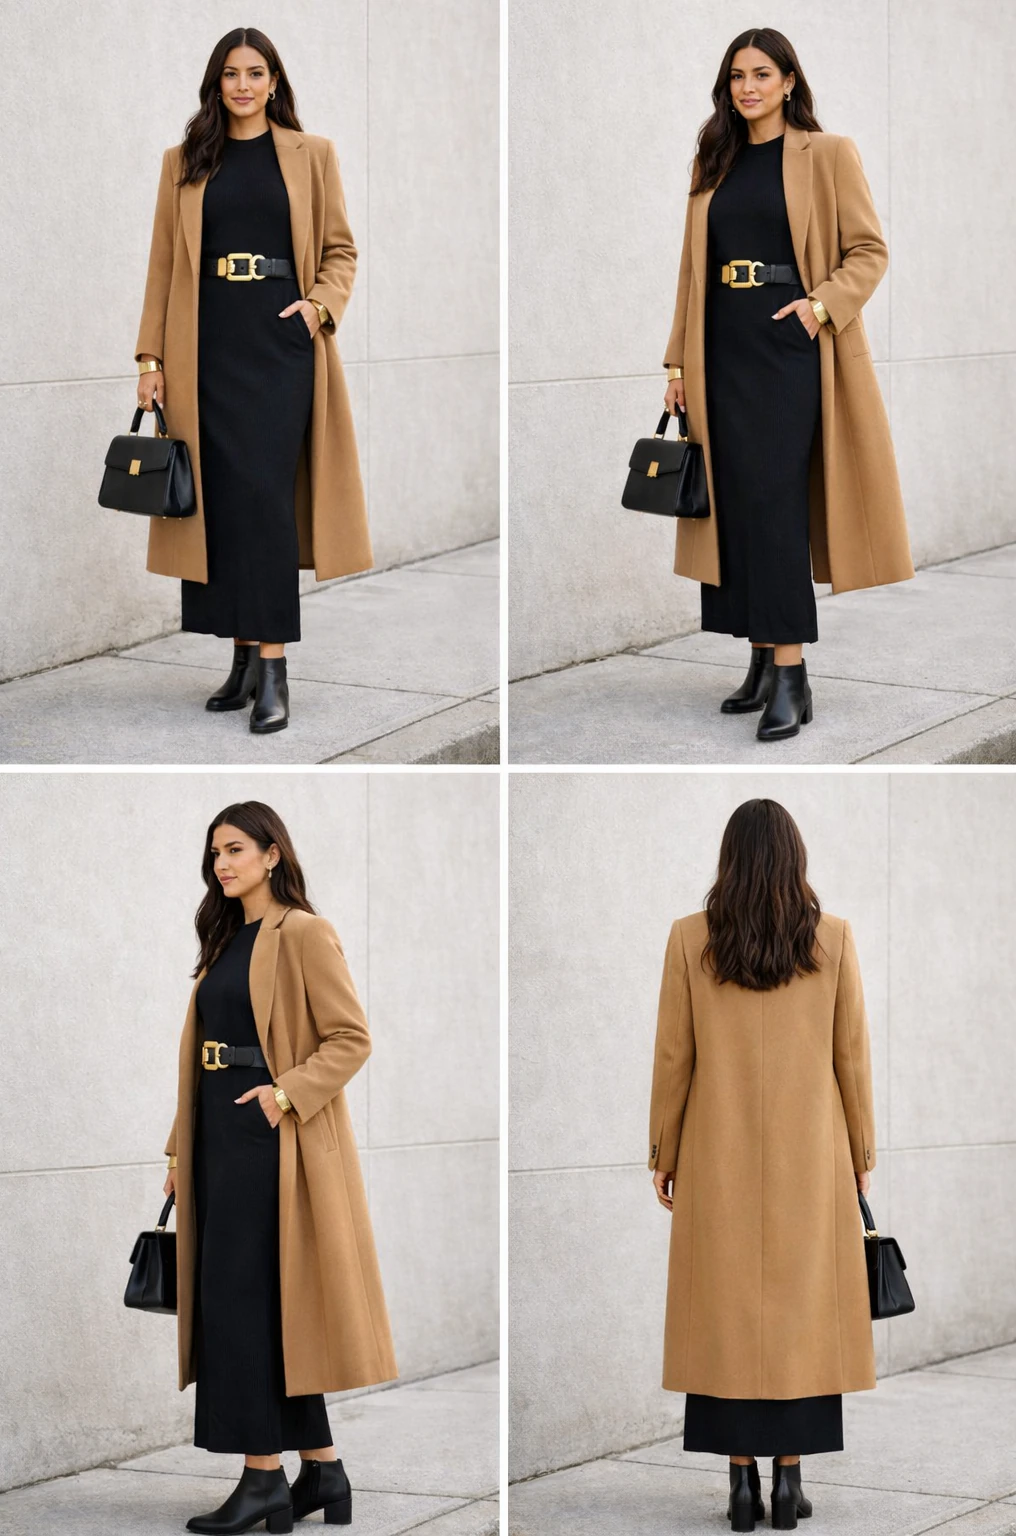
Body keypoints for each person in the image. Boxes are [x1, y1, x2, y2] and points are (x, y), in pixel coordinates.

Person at [662, 27, 913, 740]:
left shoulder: (827, 153)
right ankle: (762, 659)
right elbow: (691, 271)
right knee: (735, 505)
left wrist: (819, 308)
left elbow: (869, 250)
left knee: (773, 504)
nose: (748, 87)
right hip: (720, 348)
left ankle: (794, 674)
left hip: (787, 346)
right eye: (737, 75)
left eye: (762, 74)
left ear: (790, 82)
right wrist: (677, 363)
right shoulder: (715, 158)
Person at [163, 801, 396, 1533]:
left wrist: (284, 1095)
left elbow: (350, 1037)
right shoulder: (227, 937)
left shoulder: (304, 932)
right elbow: (198, 1056)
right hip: (218, 1137)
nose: (222, 864)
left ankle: (262, 1476)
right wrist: (178, 1148)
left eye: (234, 849)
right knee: (255, 1305)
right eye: (214, 854)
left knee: (245, 1304)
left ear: (272, 854)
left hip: (272, 1140)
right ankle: (322, 1470)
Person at [135, 27, 371, 734]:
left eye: (256, 72)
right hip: (204, 347)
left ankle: (274, 668)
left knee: (266, 501)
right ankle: (240, 660)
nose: (243, 84)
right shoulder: (184, 161)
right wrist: (151, 360)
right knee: (224, 502)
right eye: (231, 73)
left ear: (275, 81)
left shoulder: (311, 154)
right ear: (217, 82)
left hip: (278, 346)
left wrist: (317, 310)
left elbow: (340, 250)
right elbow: (161, 267)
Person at [649, 798, 876, 1531]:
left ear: (729, 862)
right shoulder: (833, 939)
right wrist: (861, 1155)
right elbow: (852, 1059)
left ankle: (739, 1485)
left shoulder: (690, 940)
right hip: (812, 1160)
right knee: (802, 1316)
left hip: (718, 1158)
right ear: (795, 860)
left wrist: (665, 1150)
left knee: (725, 1314)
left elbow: (674, 1057)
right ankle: (788, 1481)